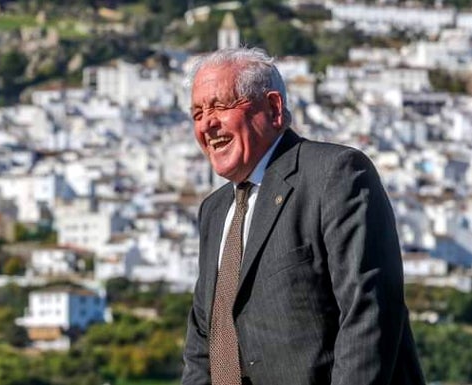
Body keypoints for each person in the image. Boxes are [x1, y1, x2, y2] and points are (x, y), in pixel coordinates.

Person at [182, 47, 425, 385]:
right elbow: (202, 343)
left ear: (274, 109)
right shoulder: (214, 211)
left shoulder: (335, 175)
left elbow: (369, 313)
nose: (207, 124)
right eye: (197, 113)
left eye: (221, 106)